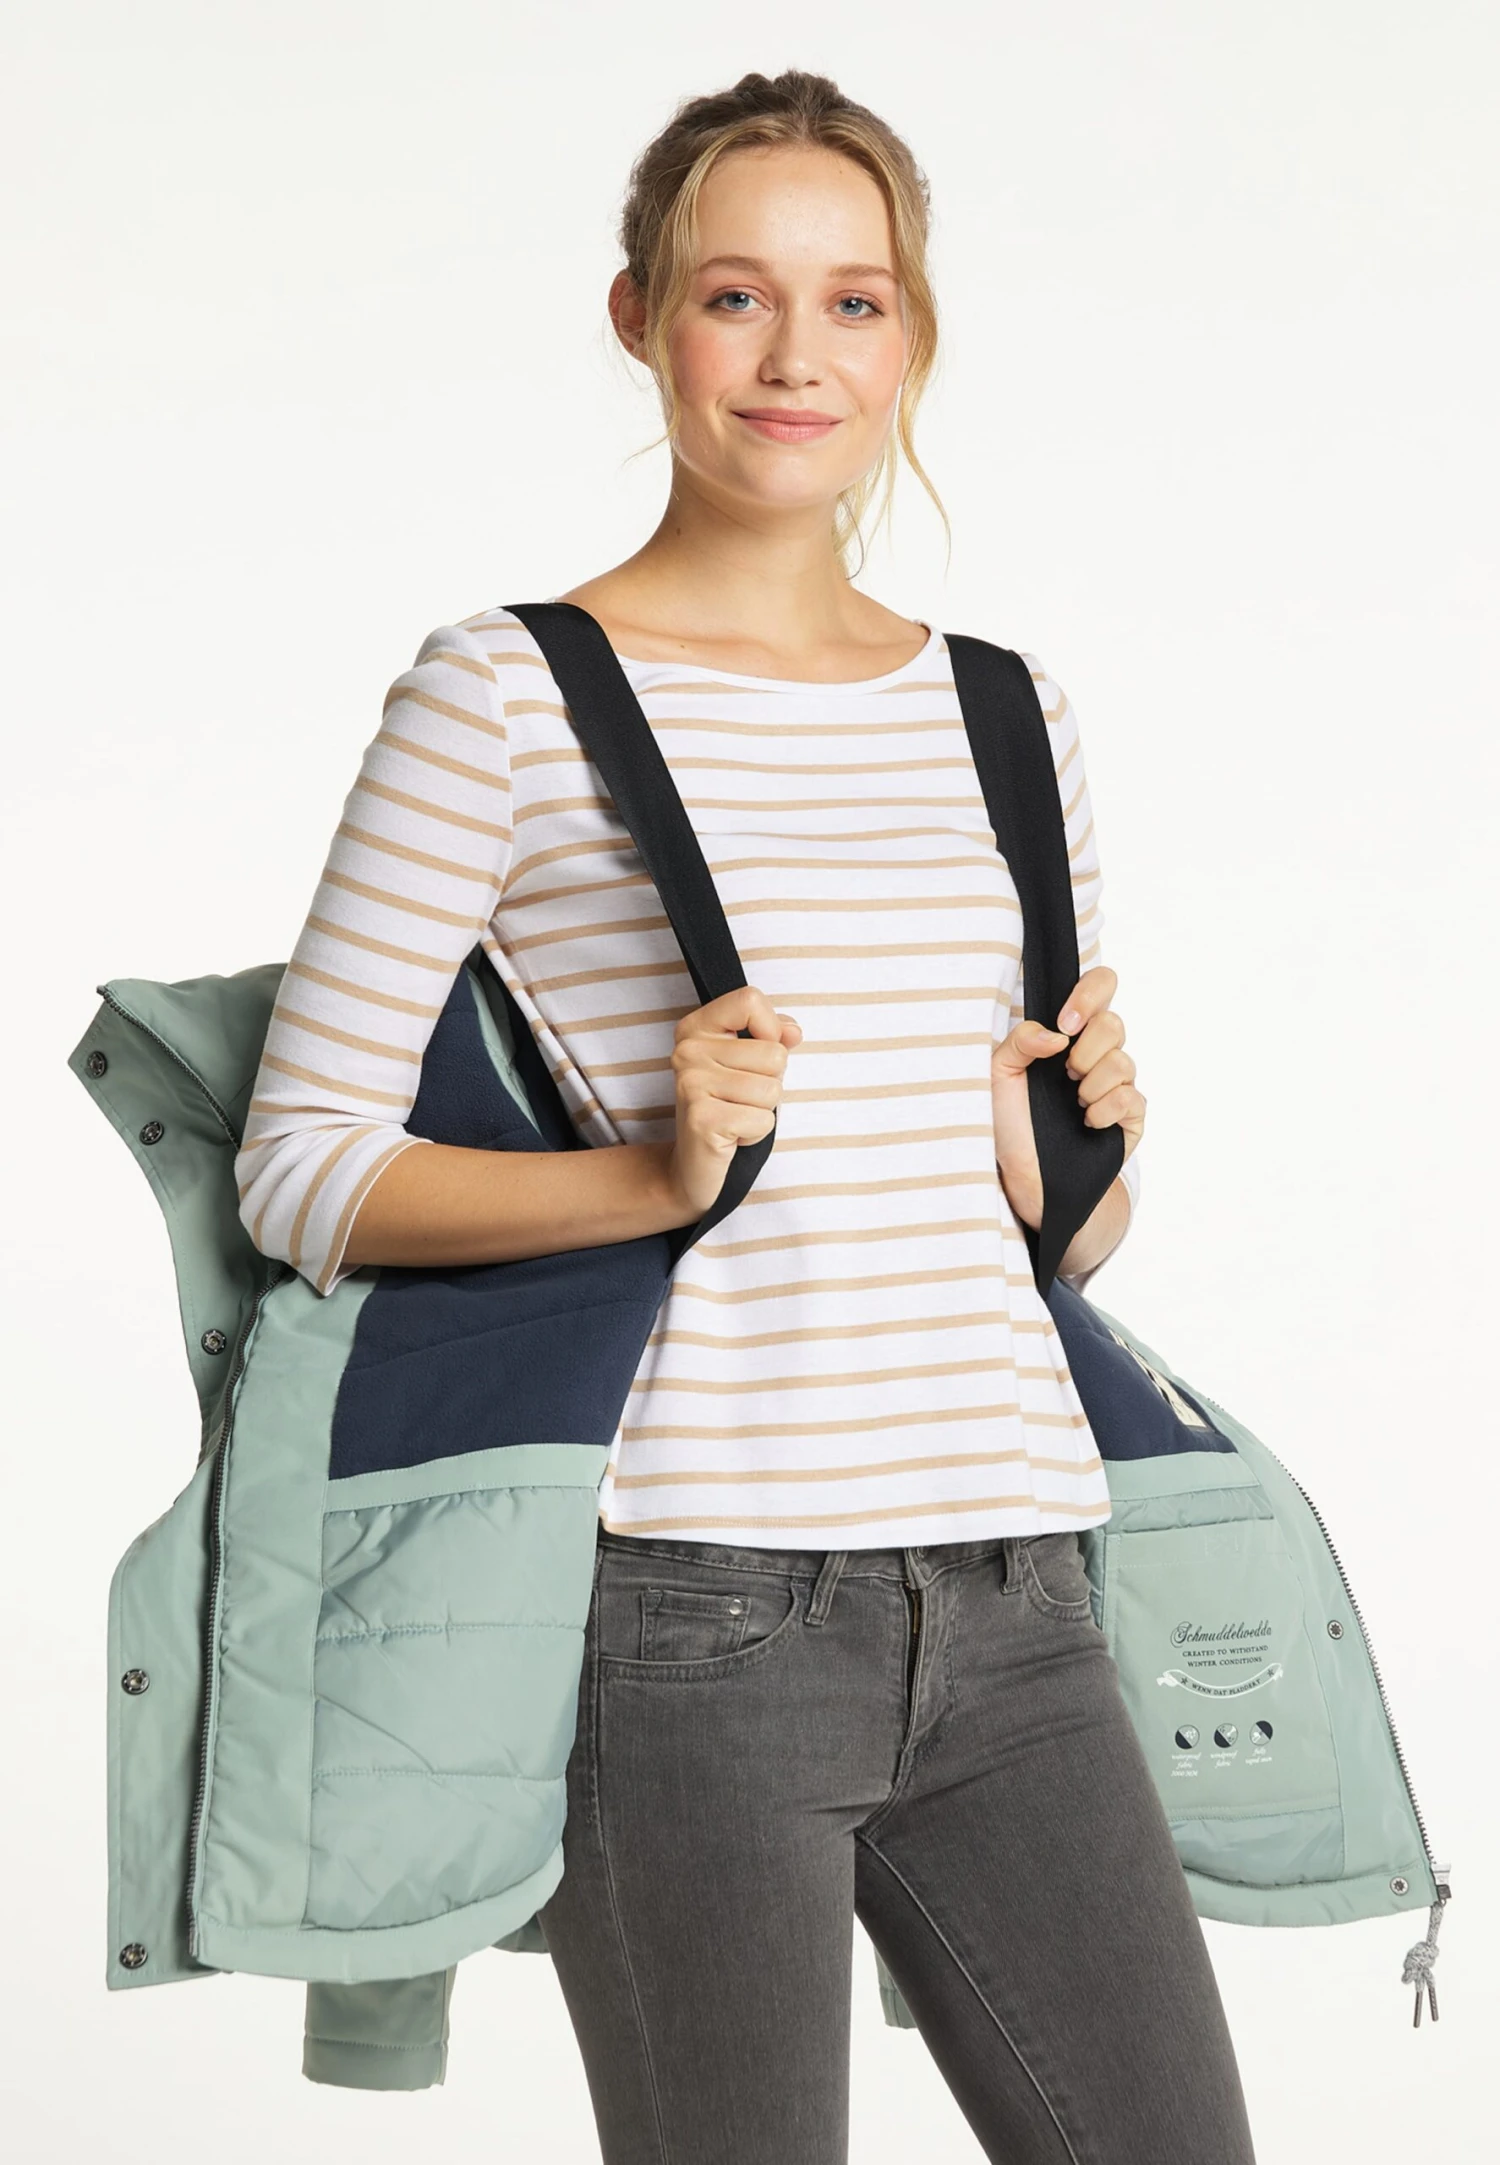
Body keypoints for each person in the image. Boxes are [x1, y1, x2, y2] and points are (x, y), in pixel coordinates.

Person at [235, 65, 1257, 2165]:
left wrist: (1065, 1163)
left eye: (854, 301)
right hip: (692, 1612)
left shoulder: (1006, 708)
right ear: (641, 319)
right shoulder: (500, 694)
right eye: (736, 296)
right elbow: (298, 1167)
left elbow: (1055, 1248)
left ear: (915, 334)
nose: (799, 357)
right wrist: (651, 1170)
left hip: (1021, 1587)